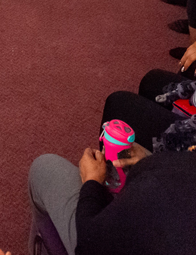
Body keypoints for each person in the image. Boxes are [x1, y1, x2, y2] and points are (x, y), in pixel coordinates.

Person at [28, 71, 196, 255]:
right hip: (167, 183)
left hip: (115, 231)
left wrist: (91, 184)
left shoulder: (163, 188)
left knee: (44, 168)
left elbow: (91, 241)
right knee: (123, 101)